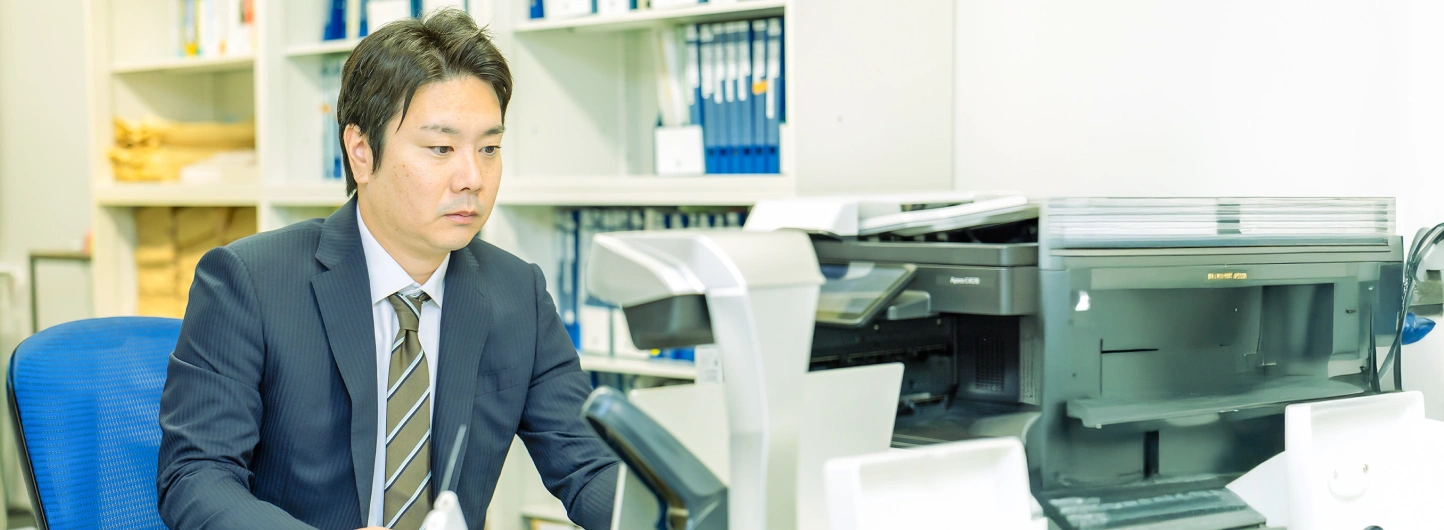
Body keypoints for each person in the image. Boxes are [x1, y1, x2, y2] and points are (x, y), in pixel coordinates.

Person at [156, 9, 618, 530]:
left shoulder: (517, 294)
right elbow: (195, 477)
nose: (472, 177)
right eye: (441, 148)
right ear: (361, 152)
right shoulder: (250, 282)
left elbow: (590, 468)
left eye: (489, 148)